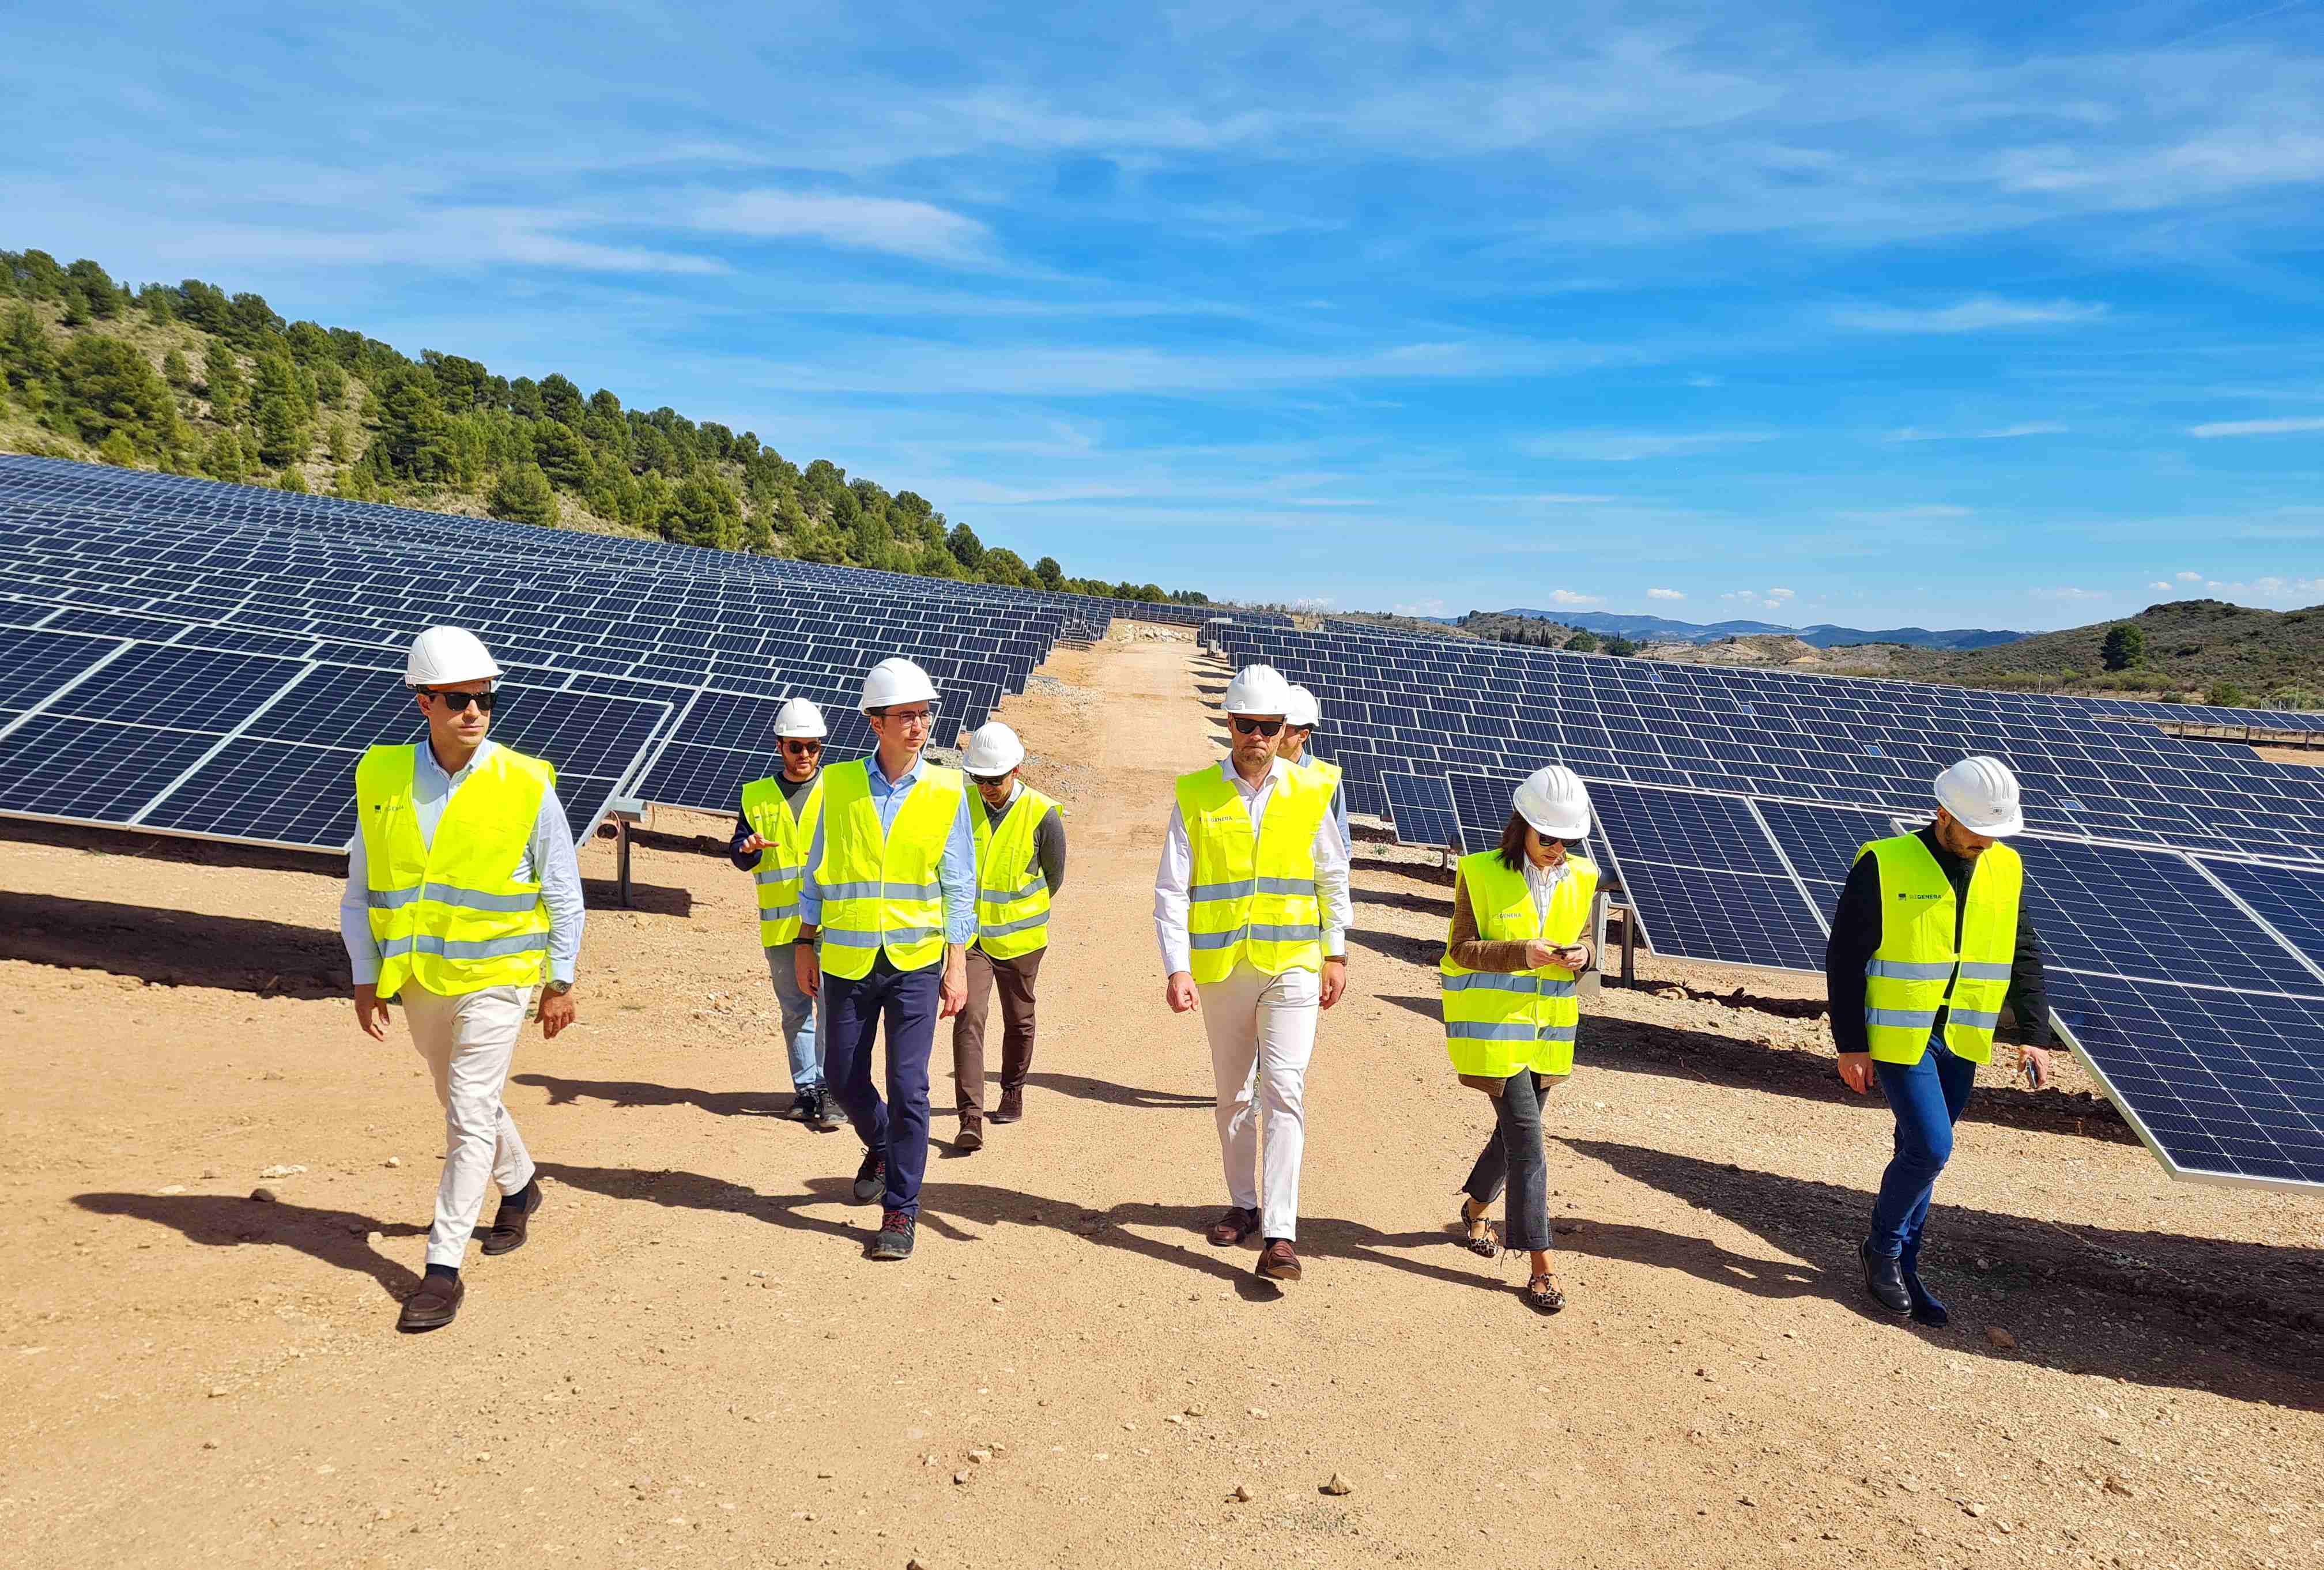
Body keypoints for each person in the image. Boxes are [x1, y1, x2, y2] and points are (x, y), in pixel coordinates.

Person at [341, 627, 583, 1333]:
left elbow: (564, 892)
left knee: (468, 1111)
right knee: (460, 1097)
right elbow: (360, 890)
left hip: (501, 976)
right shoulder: (382, 776)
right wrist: (365, 974)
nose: (474, 712)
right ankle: (523, 1185)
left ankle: (442, 1269)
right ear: (423, 703)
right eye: (457, 700)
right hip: (419, 978)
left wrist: (560, 979)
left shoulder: (526, 783)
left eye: (485, 698)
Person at [1826, 756, 2055, 1326]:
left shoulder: (2007, 867)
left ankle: (1907, 1263)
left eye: (1997, 835)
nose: (1987, 845)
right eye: (1979, 834)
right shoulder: (1885, 861)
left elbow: (2022, 951)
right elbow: (1846, 956)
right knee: (1931, 1148)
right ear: (1943, 813)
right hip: (1902, 1035)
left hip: (1965, 1033)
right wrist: (1850, 1043)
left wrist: (2035, 1035)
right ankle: (1880, 1251)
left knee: (1921, 1155)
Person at [1155, 663, 1352, 1283]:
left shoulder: (1310, 792)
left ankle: (1282, 1235)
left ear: (1284, 729)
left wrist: (1336, 951)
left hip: (1292, 964)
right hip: (1221, 970)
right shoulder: (1196, 794)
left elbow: (1332, 877)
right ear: (1230, 725)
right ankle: (1243, 1204)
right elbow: (1171, 891)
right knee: (1234, 1095)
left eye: (1270, 726)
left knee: (1285, 1091)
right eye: (1247, 725)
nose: (1258, 737)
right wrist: (1176, 967)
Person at [795, 656, 975, 1262]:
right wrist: (804, 940)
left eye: (925, 713)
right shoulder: (839, 784)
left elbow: (958, 883)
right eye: (906, 715)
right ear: (876, 722)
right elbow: (819, 866)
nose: (919, 724)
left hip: (915, 960)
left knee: (909, 1086)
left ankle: (901, 1208)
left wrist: (956, 963)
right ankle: (883, 1145)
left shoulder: (949, 789)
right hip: (846, 956)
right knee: (842, 1077)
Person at [1439, 767, 1598, 1315]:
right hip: (1496, 1033)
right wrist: (1518, 953)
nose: (1556, 849)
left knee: (1513, 1137)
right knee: (1530, 1143)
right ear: (1522, 827)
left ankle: (1476, 1208)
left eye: (1566, 839)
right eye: (1547, 837)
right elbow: (1460, 948)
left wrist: (1584, 956)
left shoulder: (1582, 877)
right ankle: (1541, 1264)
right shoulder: (1479, 872)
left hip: (1547, 1035)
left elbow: (1583, 942)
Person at [952, 720, 1067, 1150]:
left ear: (1016, 771)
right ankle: (970, 1118)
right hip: (972, 938)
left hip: (1021, 943)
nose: (987, 788)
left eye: (994, 780)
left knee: (1019, 1021)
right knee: (969, 1017)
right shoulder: (960, 805)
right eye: (979, 780)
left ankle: (1012, 1090)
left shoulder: (1043, 815)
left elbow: (1054, 878)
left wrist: (1019, 913)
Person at [730, 698, 843, 1132]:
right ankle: (807, 1090)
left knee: (832, 1008)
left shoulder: (837, 790)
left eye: (813, 747)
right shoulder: (756, 796)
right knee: (795, 1011)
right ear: (780, 747)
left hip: (831, 924)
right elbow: (740, 855)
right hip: (781, 926)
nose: (805, 756)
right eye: (796, 747)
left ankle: (832, 1087)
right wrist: (746, 849)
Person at [1278, 684, 1349, 846]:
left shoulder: (1327, 778)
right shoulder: (1255, 771)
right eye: (1275, 725)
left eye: (1284, 728)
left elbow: (1341, 840)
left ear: (1303, 735)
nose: (1276, 733)